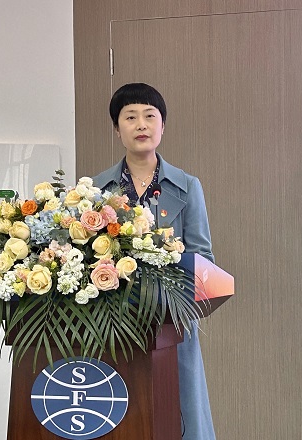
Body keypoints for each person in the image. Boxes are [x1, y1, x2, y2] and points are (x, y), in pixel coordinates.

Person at [93, 83, 216, 440]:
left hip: (169, 323)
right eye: (130, 117)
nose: (141, 124)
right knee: (122, 415)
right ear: (117, 129)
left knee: (177, 414)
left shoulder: (187, 186)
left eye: (150, 116)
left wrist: (167, 281)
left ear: (163, 126)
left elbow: (203, 258)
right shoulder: (97, 188)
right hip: (113, 324)